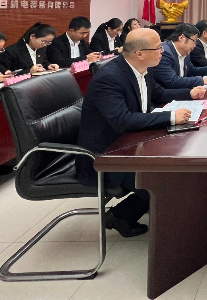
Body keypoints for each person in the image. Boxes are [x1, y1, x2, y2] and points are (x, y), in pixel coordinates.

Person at [75, 28, 194, 237]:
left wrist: (191, 93)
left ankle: (127, 213)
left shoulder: (142, 69)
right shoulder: (109, 78)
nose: (163, 51)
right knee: (166, 179)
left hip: (130, 143)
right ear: (139, 53)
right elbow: (122, 121)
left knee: (178, 164)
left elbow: (158, 94)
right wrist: (171, 117)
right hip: (106, 155)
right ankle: (124, 217)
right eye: (158, 48)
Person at [150, 23, 207, 94]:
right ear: (181, 38)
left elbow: (191, 71)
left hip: (181, 93)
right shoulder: (165, 53)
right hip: (168, 96)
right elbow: (172, 81)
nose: (195, 45)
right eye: (194, 41)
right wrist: (201, 80)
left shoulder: (185, 51)